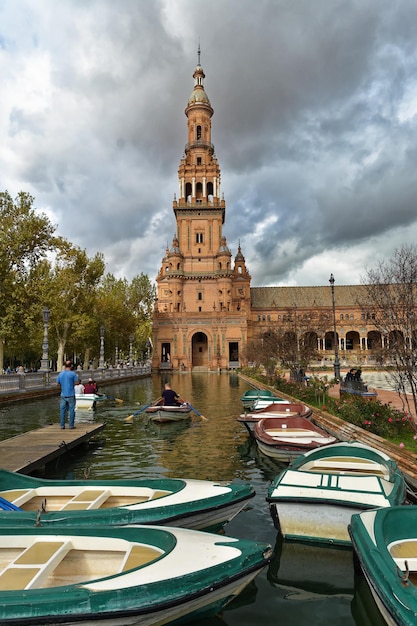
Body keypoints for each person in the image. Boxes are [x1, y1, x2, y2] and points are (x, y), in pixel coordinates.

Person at [56, 360, 78, 429]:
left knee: (62, 411)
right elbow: (77, 382)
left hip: (63, 394)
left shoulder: (60, 374)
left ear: (64, 366)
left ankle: (62, 425)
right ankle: (71, 425)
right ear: (71, 366)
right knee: (71, 410)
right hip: (71, 394)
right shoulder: (73, 374)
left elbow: (57, 384)